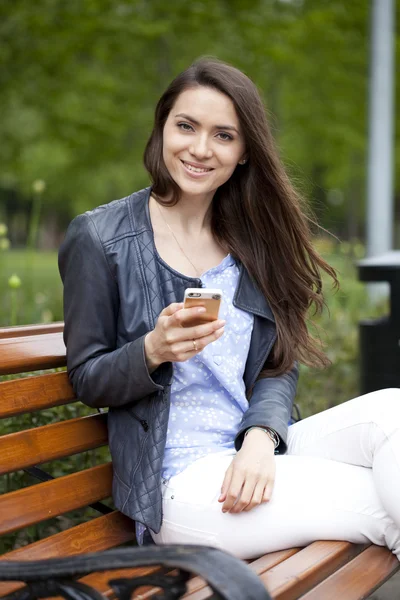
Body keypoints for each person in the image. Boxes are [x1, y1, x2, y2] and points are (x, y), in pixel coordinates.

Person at [59, 58, 400, 560]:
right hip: (181, 484)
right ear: (161, 130)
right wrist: (150, 351)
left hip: (252, 457)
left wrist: (261, 437)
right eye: (186, 126)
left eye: (223, 135)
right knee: (382, 506)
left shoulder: (247, 238)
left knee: (392, 407)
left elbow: (276, 363)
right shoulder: (101, 237)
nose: (200, 149)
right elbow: (87, 377)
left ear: (244, 152)